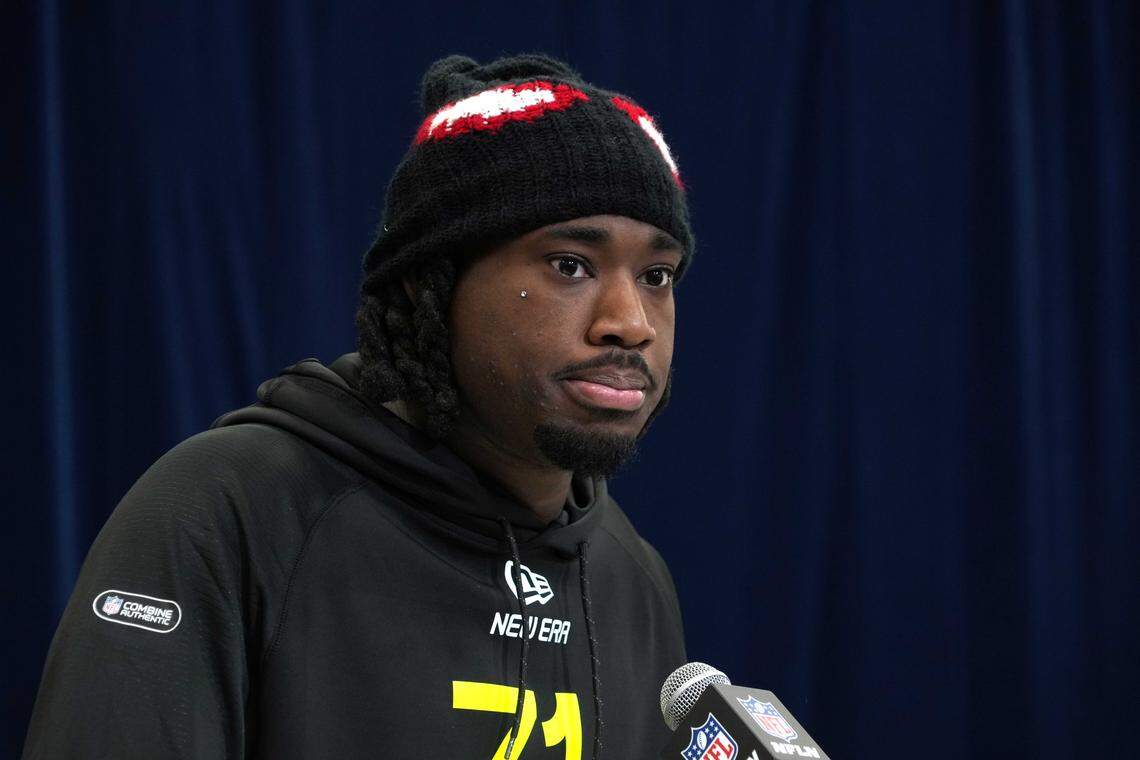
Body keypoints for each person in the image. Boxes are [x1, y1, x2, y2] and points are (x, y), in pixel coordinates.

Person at [23, 53, 693, 759]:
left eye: (656, 276)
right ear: (425, 286)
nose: (631, 321)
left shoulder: (632, 579)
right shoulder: (228, 511)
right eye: (570, 265)